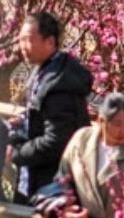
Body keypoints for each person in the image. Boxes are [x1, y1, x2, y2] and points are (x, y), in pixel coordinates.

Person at [5, 11, 92, 205]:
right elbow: (42, 115)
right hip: (37, 177)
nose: (23, 47)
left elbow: (56, 140)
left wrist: (16, 154)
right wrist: (25, 120)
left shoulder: (60, 84)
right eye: (20, 41)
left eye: (28, 40)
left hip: (52, 184)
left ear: (50, 42)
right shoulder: (47, 70)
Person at [55, 91, 124, 218]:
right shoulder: (81, 140)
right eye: (117, 124)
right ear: (101, 121)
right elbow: (63, 178)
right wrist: (66, 206)